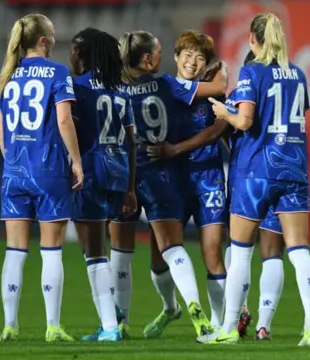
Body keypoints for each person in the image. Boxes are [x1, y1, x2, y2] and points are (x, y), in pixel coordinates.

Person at [204, 13, 310, 346]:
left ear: (252, 40)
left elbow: (244, 122)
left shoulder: (252, 70)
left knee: (240, 252)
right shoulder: (298, 74)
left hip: (257, 171)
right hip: (294, 169)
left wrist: (223, 112)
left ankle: (228, 329)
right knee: (299, 252)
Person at [109, 30, 226, 339]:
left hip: (130, 175)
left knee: (120, 251)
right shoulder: (168, 85)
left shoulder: (114, 89)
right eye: (162, 52)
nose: (191, 61)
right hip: (164, 176)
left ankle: (118, 323)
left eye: (199, 57)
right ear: (150, 58)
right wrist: (223, 75)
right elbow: (220, 86)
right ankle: (184, 309)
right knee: (168, 252)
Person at [0, 14, 83, 343]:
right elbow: (63, 121)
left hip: (14, 172)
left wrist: (13, 161)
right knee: (51, 251)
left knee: (14, 251)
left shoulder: (5, 76)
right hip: (48, 171)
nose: (56, 39)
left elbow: (1, 135)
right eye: (53, 35)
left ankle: (10, 325)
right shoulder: (58, 73)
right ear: (43, 40)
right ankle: (52, 326)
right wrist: (76, 160)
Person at [68, 28, 137, 342]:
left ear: (83, 52)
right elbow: (132, 140)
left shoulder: (77, 87)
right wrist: (131, 188)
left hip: (92, 169)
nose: (70, 56)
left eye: (73, 49)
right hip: (119, 171)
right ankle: (111, 318)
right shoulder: (122, 88)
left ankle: (110, 326)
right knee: (100, 248)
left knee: (93, 251)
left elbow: (70, 128)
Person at [222, 50, 286, 341]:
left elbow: (224, 131)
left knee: (239, 248)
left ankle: (237, 314)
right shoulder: (289, 87)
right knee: (273, 252)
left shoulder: (241, 91)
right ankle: (264, 324)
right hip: (282, 170)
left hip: (247, 175)